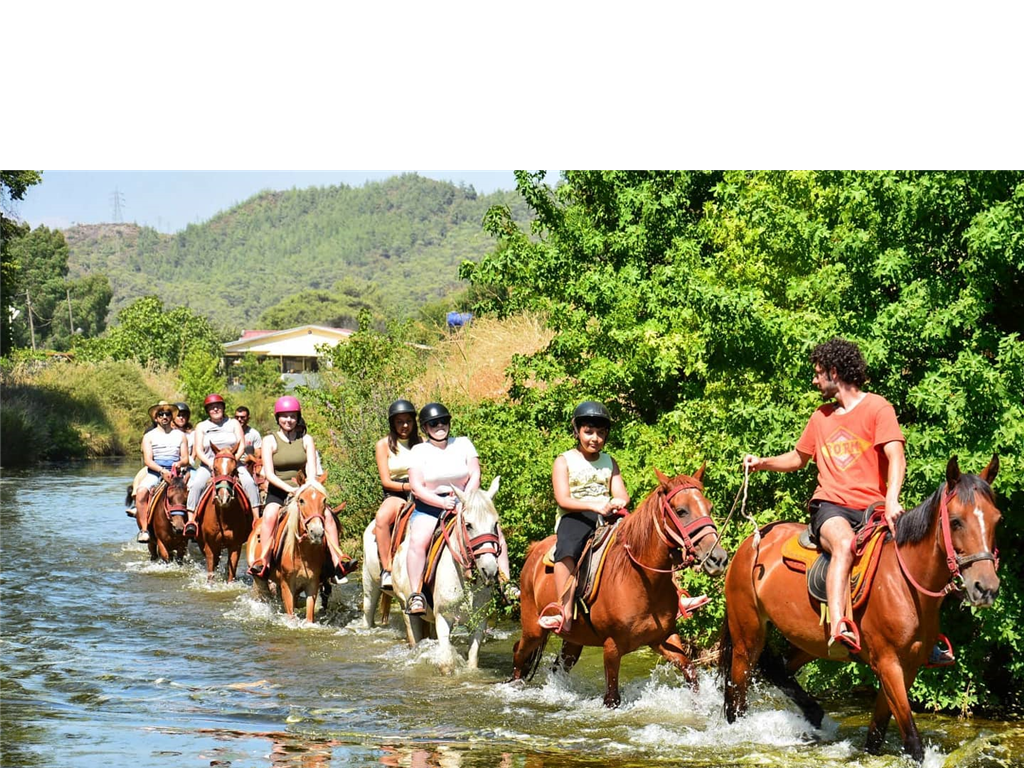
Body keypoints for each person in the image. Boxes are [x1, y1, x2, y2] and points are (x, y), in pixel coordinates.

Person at [743, 337, 909, 659]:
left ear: (834, 372)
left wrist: (892, 500)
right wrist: (762, 463)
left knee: (915, 550)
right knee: (845, 544)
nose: (814, 380)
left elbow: (896, 456)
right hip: (830, 507)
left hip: (873, 510)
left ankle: (923, 636)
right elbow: (798, 458)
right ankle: (839, 624)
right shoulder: (820, 417)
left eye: (818, 373)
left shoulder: (878, 408)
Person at [404, 402, 516, 614]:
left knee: (496, 534)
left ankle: (505, 583)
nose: (440, 426)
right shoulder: (419, 450)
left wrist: (466, 500)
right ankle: (416, 594)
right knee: (418, 541)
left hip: (466, 502)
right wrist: (441, 503)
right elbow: (416, 487)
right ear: (425, 427)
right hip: (430, 506)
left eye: (443, 421)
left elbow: (475, 474)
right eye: (434, 423)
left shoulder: (463, 444)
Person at [539, 400, 631, 634]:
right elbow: (563, 499)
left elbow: (621, 493)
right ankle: (564, 611)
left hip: (608, 515)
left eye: (601, 433)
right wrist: (594, 506)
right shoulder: (564, 461)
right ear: (577, 431)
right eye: (589, 432)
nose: (595, 438)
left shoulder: (609, 461)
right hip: (575, 516)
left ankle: (675, 598)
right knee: (567, 549)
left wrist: (618, 502)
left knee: (645, 540)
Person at [248, 395, 350, 580]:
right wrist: (289, 490)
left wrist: (306, 488)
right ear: (278, 418)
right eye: (284, 416)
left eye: (293, 416)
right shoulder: (269, 440)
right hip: (279, 492)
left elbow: (311, 469)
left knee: (327, 515)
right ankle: (264, 560)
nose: (289, 420)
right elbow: (269, 474)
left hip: (304, 490)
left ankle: (338, 560)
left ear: (298, 418)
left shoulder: (306, 439)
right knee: (269, 516)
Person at [185, 393, 262, 538]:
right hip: (209, 464)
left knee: (250, 483)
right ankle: (191, 521)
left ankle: (257, 519)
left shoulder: (233, 423)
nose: (215, 409)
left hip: (232, 464)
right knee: (196, 485)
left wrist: (233, 461)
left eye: (218, 406)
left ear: (223, 408)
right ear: (207, 410)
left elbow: (241, 445)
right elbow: (199, 450)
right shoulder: (201, 426)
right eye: (212, 407)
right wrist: (212, 464)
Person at [373, 399, 421, 592]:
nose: (405, 426)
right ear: (393, 423)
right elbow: (386, 481)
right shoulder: (383, 445)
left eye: (408, 421)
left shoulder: (422, 443)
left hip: (421, 490)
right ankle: (387, 568)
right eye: (400, 422)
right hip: (396, 491)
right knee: (382, 518)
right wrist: (408, 487)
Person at [135, 400, 189, 543]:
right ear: (156, 418)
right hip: (155, 472)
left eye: (167, 414)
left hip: (177, 473)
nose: (164, 417)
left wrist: (179, 463)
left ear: (171, 417)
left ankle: (193, 525)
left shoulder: (180, 435)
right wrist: (161, 471)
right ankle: (144, 530)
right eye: (161, 414)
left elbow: (185, 458)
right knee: (141, 493)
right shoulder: (149, 436)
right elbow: (148, 460)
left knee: (195, 490)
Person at [172, 402, 198, 485]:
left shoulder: (193, 434)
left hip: (188, 466)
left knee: (198, 483)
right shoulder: (169, 433)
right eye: (178, 415)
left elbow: (194, 453)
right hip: (171, 466)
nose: (181, 418)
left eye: (184, 416)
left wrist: (187, 465)